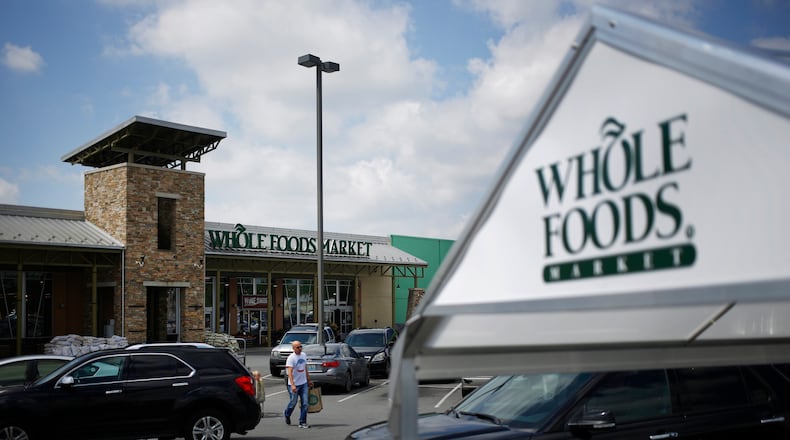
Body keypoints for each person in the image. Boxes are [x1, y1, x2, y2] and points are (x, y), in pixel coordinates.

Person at [283, 340, 313, 428]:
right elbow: (290, 373)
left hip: (303, 383)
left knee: (305, 403)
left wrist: (308, 380)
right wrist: (292, 385)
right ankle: (287, 414)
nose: (300, 349)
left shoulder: (303, 355)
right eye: (298, 347)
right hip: (294, 384)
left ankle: (302, 422)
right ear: (293, 349)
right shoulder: (291, 358)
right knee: (293, 402)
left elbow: (305, 367)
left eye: (301, 347)